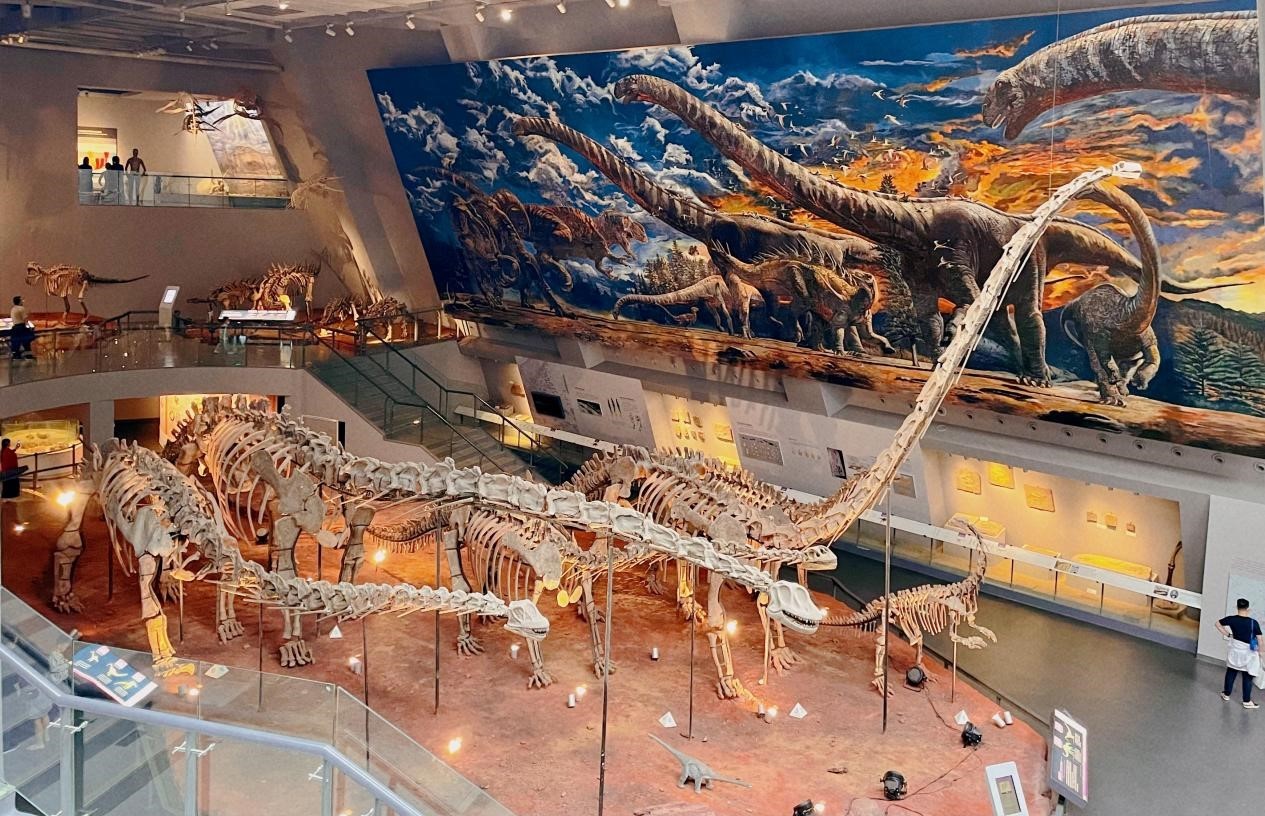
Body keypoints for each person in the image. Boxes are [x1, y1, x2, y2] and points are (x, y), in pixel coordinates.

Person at [1217, 597, 1262, 709]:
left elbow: (1217, 624)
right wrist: (1262, 653)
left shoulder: (1232, 619)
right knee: (1247, 676)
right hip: (1248, 653)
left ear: (1237, 607)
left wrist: (1228, 635)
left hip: (1235, 650)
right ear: (1248, 609)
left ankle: (1226, 694)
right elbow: (1260, 640)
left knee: (1231, 672)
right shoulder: (1253, 623)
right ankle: (1247, 701)